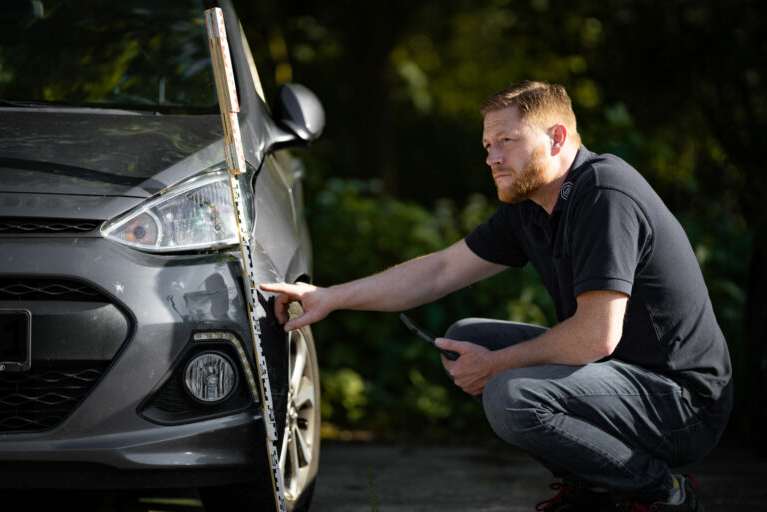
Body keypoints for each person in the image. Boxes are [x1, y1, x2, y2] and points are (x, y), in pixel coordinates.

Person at [261, 80, 732, 511]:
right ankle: (591, 490)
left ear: (557, 138)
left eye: (507, 141)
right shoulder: (529, 206)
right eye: (488, 145)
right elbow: (441, 270)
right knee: (466, 338)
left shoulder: (604, 194)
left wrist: (496, 366)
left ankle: (662, 494)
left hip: (682, 403)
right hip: (617, 379)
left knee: (511, 393)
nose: (492, 158)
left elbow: (595, 337)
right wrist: (329, 296)